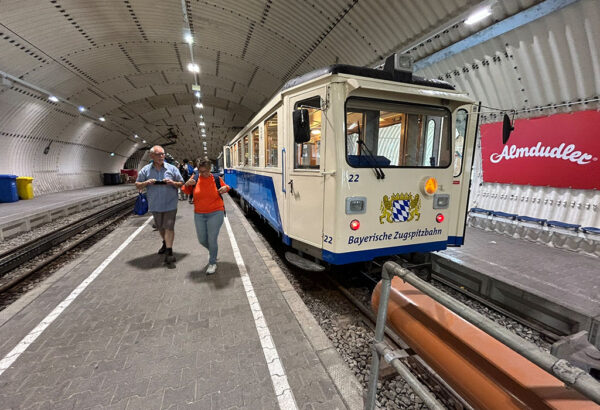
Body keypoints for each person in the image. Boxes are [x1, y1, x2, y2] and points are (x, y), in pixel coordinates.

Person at [136, 145, 184, 266]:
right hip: (155, 204)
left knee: (169, 227)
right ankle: (165, 242)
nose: (161, 156)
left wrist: (173, 183)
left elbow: (181, 183)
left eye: (163, 154)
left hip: (170, 203)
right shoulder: (145, 170)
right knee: (161, 228)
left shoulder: (172, 169)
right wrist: (146, 182)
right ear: (151, 156)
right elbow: (138, 185)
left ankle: (169, 252)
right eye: (158, 154)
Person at [182, 158, 229, 274]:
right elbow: (185, 190)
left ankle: (212, 262)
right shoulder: (195, 178)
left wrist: (226, 188)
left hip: (216, 212)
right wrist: (187, 184)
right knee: (202, 239)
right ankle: (213, 251)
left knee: (212, 239)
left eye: (205, 171)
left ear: (210, 169)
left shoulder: (216, 178)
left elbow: (226, 187)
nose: (203, 174)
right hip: (199, 214)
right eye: (200, 171)